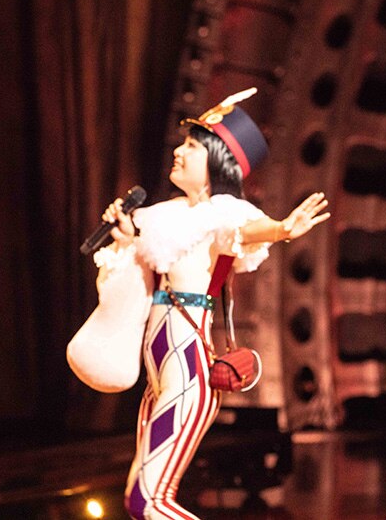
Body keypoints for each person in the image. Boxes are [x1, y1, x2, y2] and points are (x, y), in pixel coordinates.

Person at [69, 88, 330, 520]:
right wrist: (127, 239)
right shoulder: (166, 216)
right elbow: (141, 275)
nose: (179, 151)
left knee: (148, 501)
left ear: (217, 160)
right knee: (141, 501)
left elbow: (246, 231)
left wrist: (283, 229)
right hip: (159, 381)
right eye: (183, 143)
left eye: (192, 146)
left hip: (188, 379)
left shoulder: (223, 214)